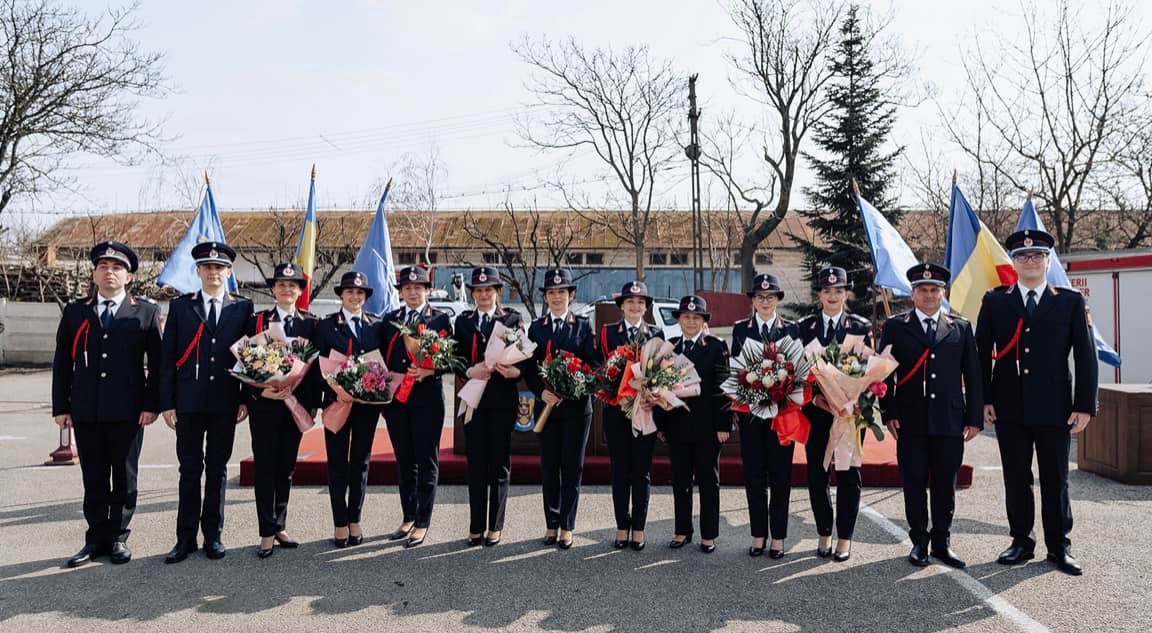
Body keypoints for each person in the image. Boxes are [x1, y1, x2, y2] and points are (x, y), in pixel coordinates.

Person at [976, 229, 1098, 576]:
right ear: (1013, 262)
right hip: (1009, 406)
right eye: (1023, 256)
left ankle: (1059, 546)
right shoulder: (996, 301)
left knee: (1055, 477)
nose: (1030, 261)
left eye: (1037, 255)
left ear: (1048, 261)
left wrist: (1085, 405)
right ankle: (1021, 541)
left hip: (1055, 407)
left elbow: (1086, 357)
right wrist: (984, 399)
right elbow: (982, 354)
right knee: (1016, 477)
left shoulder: (1069, 301)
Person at [51, 242, 161, 567]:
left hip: (128, 411)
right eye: (103, 266)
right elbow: (62, 362)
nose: (109, 272)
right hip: (87, 410)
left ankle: (118, 538)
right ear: (94, 273)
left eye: (116, 267)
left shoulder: (146, 311)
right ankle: (95, 538)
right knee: (94, 477)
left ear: (128, 275)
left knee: (125, 478)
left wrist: (151, 404)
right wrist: (61, 406)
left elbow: (156, 365)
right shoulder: (76, 310)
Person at [878, 263, 982, 569]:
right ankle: (919, 543)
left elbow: (973, 375)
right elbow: (884, 375)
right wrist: (888, 412)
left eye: (934, 290)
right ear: (912, 294)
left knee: (945, 484)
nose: (928, 295)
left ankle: (942, 542)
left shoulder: (960, 328)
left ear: (943, 293)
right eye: (922, 290)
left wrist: (974, 417)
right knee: (913, 482)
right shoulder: (896, 327)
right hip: (910, 420)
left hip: (950, 421)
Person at [159, 241, 253, 563]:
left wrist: (244, 398)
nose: (214, 273)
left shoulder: (243, 308)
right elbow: (167, 357)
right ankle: (185, 539)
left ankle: (213, 536)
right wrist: (167, 402)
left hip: (225, 403)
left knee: (217, 471)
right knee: (189, 471)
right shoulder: (181, 307)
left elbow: (249, 358)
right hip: (188, 402)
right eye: (207, 267)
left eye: (220, 268)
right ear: (198, 271)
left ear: (229, 272)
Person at [797, 266, 872, 562]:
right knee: (817, 474)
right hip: (818, 413)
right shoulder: (805, 327)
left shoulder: (860, 325)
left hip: (851, 415)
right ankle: (824, 532)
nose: (832, 295)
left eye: (838, 290)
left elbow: (871, 374)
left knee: (849, 475)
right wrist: (817, 399)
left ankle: (845, 537)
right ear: (818, 294)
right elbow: (798, 374)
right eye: (827, 290)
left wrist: (855, 400)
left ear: (846, 293)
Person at [245, 263, 319, 558]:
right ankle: (265, 531)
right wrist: (259, 390)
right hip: (264, 404)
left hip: (294, 404)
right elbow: (245, 361)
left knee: (286, 468)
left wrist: (311, 405)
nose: (287, 289)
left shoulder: (310, 323)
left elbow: (313, 371)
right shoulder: (257, 321)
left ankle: (279, 524)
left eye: (293, 285)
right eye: (281, 285)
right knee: (264, 466)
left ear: (300, 291)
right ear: (273, 289)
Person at [452, 266, 528, 547]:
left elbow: (523, 359)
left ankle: (495, 526)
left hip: (501, 403)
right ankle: (475, 525)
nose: (483, 294)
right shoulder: (463, 322)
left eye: (489, 290)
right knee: (475, 465)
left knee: (498, 464)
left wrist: (515, 372)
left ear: (497, 292)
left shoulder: (512, 318)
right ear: (473, 294)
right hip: (474, 401)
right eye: (478, 290)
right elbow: (455, 357)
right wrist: (469, 371)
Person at [380, 266, 453, 548]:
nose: (413, 292)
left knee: (426, 460)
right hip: (397, 401)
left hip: (427, 400)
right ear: (401, 292)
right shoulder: (390, 320)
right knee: (405, 460)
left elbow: (450, 357)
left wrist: (431, 372)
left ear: (427, 290)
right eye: (407, 288)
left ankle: (423, 521)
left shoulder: (440, 318)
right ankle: (408, 515)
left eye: (418, 287)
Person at [525, 268, 596, 550]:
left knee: (572, 468)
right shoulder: (536, 328)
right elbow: (527, 368)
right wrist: (540, 391)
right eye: (551, 292)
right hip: (547, 407)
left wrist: (576, 386)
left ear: (571, 295)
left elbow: (592, 367)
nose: (556, 297)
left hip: (577, 410)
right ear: (546, 296)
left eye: (561, 292)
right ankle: (551, 523)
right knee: (549, 467)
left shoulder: (583, 326)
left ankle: (567, 525)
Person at [656, 296, 730, 554]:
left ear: (703, 321)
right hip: (677, 425)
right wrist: (662, 425)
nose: (690, 321)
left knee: (709, 481)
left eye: (696, 317)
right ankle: (682, 531)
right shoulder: (670, 347)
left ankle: (708, 534)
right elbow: (660, 388)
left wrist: (724, 425)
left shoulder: (716, 346)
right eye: (686, 317)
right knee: (680, 480)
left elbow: (723, 388)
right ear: (678, 320)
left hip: (708, 427)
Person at [731, 273, 797, 558]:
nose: (765, 301)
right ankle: (758, 534)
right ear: (753, 301)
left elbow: (798, 373)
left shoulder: (791, 330)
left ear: (778, 300)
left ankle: (778, 537)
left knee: (781, 476)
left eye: (770, 297)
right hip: (751, 416)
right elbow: (736, 372)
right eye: (760, 297)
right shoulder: (740, 330)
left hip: (782, 417)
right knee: (754, 475)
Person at [315, 271, 382, 549]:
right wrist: (334, 390)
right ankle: (339, 522)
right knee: (337, 464)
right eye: (350, 292)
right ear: (341, 295)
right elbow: (316, 366)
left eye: (360, 293)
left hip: (366, 407)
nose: (355, 296)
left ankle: (355, 518)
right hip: (337, 404)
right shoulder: (326, 326)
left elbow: (382, 364)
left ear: (365, 297)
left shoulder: (375, 325)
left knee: (361, 464)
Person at [598, 280, 663, 551]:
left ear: (646, 307)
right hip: (616, 411)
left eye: (640, 302)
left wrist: (651, 392)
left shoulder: (656, 333)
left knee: (642, 471)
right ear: (621, 306)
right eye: (629, 302)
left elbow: (664, 373)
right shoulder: (607, 333)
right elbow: (598, 369)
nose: (635, 306)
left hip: (645, 412)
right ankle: (621, 526)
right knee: (620, 470)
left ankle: (639, 528)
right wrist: (615, 387)